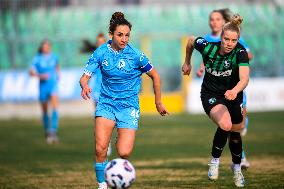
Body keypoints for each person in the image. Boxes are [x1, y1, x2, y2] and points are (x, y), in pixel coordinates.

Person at [79, 12, 169, 189]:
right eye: (120, 35)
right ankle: (102, 184)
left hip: (128, 107)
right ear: (111, 34)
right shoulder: (101, 52)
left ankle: (118, 141)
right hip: (106, 103)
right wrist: (85, 85)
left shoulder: (136, 55)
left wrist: (158, 102)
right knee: (100, 149)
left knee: (124, 151)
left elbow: (155, 76)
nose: (124, 39)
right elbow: (84, 77)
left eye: (127, 35)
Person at [182, 14, 249, 187]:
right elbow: (190, 40)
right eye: (226, 39)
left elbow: (244, 79)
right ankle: (214, 161)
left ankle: (236, 169)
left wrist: (234, 91)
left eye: (233, 40)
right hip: (211, 94)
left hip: (233, 95)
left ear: (238, 41)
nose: (229, 43)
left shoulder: (240, 52)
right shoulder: (208, 47)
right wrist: (187, 62)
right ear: (221, 37)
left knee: (236, 132)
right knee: (225, 125)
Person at [196, 8, 252, 169]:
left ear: (224, 22)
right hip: (215, 90)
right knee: (227, 125)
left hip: (235, 86)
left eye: (217, 19)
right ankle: (238, 160)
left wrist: (239, 60)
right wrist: (201, 67)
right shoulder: (207, 40)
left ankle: (239, 157)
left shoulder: (234, 39)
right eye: (211, 19)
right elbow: (208, 57)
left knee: (238, 128)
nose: (214, 22)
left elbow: (247, 55)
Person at [80, 33, 112, 156]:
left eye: (102, 42)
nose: (100, 44)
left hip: (109, 91)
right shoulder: (94, 58)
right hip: (97, 92)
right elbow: (88, 74)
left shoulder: (111, 56)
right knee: (99, 120)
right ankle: (103, 144)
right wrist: (85, 84)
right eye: (98, 42)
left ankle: (106, 142)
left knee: (109, 120)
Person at [29, 39, 60, 144]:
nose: (46, 47)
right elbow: (31, 72)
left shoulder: (54, 56)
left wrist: (58, 74)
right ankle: (47, 131)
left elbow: (57, 66)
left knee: (55, 107)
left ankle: (53, 131)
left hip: (53, 86)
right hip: (43, 87)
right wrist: (40, 75)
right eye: (45, 46)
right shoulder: (37, 59)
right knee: (45, 110)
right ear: (42, 47)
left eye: (48, 46)